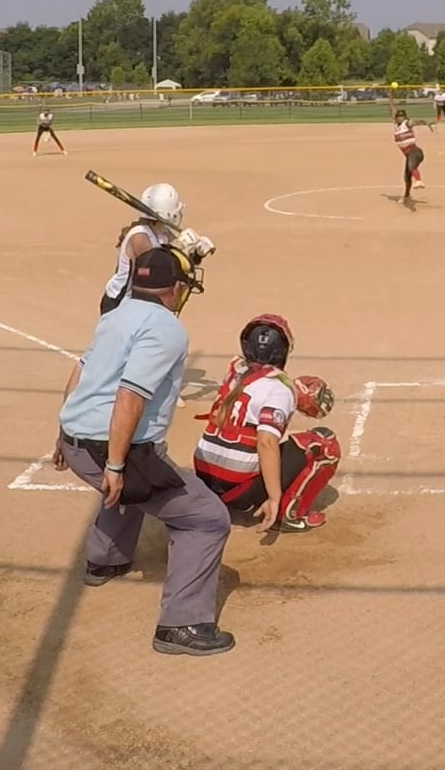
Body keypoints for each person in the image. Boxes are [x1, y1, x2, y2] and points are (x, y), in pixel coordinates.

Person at [51, 245, 235, 656]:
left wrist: (63, 431)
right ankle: (182, 624)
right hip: (106, 447)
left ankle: (105, 560)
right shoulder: (167, 328)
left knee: (137, 485)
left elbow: (81, 370)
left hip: (76, 440)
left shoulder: (115, 315)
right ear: (175, 289)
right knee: (206, 519)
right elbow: (130, 396)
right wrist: (116, 465)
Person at [193, 315, 340, 533]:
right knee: (324, 442)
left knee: (250, 432)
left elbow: (258, 384)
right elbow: (266, 442)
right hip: (239, 492)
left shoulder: (235, 371)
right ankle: (289, 516)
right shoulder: (279, 389)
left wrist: (292, 390)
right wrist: (273, 498)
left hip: (205, 481)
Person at [98, 183, 217, 315]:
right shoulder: (139, 236)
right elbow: (157, 268)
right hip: (119, 303)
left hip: (141, 300)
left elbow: (177, 265)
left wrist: (196, 253)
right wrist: (181, 245)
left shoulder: (162, 233)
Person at [392, 107, 427, 201]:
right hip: (409, 155)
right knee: (407, 177)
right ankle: (407, 195)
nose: (400, 118)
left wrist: (423, 122)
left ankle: (419, 181)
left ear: (405, 117)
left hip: (414, 151)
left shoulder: (406, 123)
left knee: (411, 166)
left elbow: (413, 123)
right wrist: (390, 99)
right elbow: (392, 110)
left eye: (402, 116)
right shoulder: (396, 126)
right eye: (399, 116)